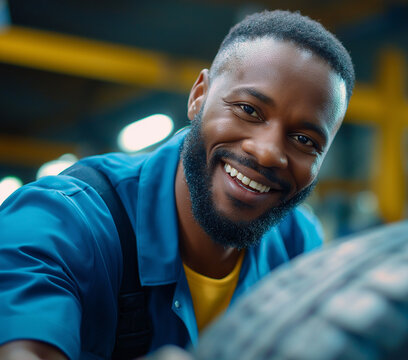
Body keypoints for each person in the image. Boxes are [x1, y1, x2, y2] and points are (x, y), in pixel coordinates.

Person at [0, 10, 354, 359]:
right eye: (248, 109)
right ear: (199, 95)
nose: (267, 153)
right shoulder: (63, 222)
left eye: (305, 140)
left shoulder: (297, 247)